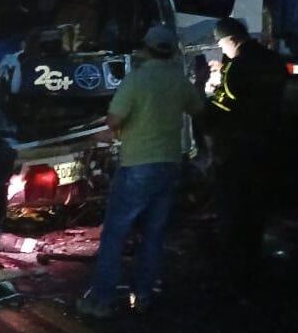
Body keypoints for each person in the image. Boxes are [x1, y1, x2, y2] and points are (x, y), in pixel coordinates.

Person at [76, 25, 205, 318]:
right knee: (154, 233)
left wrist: (107, 132)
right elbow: (198, 109)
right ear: (171, 50)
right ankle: (143, 296)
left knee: (116, 233)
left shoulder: (136, 80)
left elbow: (114, 119)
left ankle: (102, 300)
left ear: (146, 48)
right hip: (170, 165)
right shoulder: (178, 80)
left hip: (137, 166)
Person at [205, 16, 288, 286]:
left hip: (239, 148)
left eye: (221, 43)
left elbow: (222, 107)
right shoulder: (274, 61)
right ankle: (254, 265)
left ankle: (233, 273)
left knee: (233, 210)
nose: (222, 48)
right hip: (269, 144)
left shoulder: (238, 68)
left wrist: (207, 90)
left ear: (231, 39)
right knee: (257, 210)